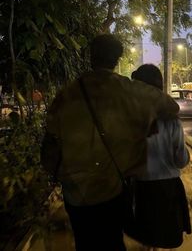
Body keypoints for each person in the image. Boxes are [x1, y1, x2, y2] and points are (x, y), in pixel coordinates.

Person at [41, 34, 179, 251]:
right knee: (113, 242)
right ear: (117, 59)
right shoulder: (129, 90)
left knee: (84, 243)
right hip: (112, 189)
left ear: (90, 57)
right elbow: (171, 107)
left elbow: (50, 145)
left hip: (75, 192)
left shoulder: (65, 95)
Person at [127, 64, 191, 251]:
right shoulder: (172, 119)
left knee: (145, 233)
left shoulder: (130, 118)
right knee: (164, 235)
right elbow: (181, 159)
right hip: (168, 187)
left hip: (141, 186)